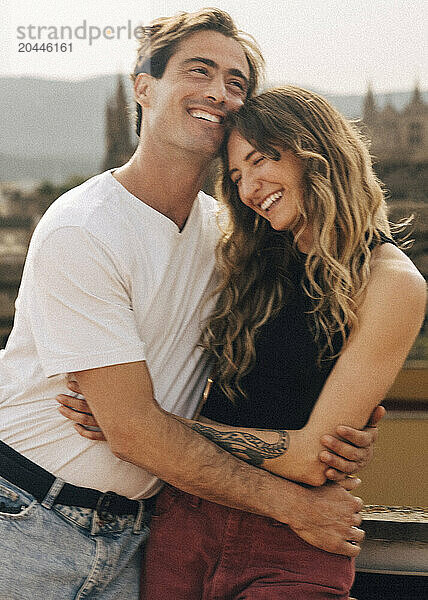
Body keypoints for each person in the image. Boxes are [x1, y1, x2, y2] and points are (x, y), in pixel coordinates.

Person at [0, 9, 380, 599]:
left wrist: (345, 421)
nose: (219, 93)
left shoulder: (230, 235)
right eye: (198, 71)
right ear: (144, 87)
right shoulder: (84, 227)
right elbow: (134, 433)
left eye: (237, 83)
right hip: (27, 523)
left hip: (138, 540)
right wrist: (294, 505)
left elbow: (288, 344)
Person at [61, 86, 426, 599]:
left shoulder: (389, 282)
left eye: (260, 162)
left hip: (296, 537)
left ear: (314, 152)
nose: (250, 187)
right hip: (183, 523)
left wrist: (140, 426)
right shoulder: (244, 260)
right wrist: (134, 419)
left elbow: (308, 459)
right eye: (235, 176)